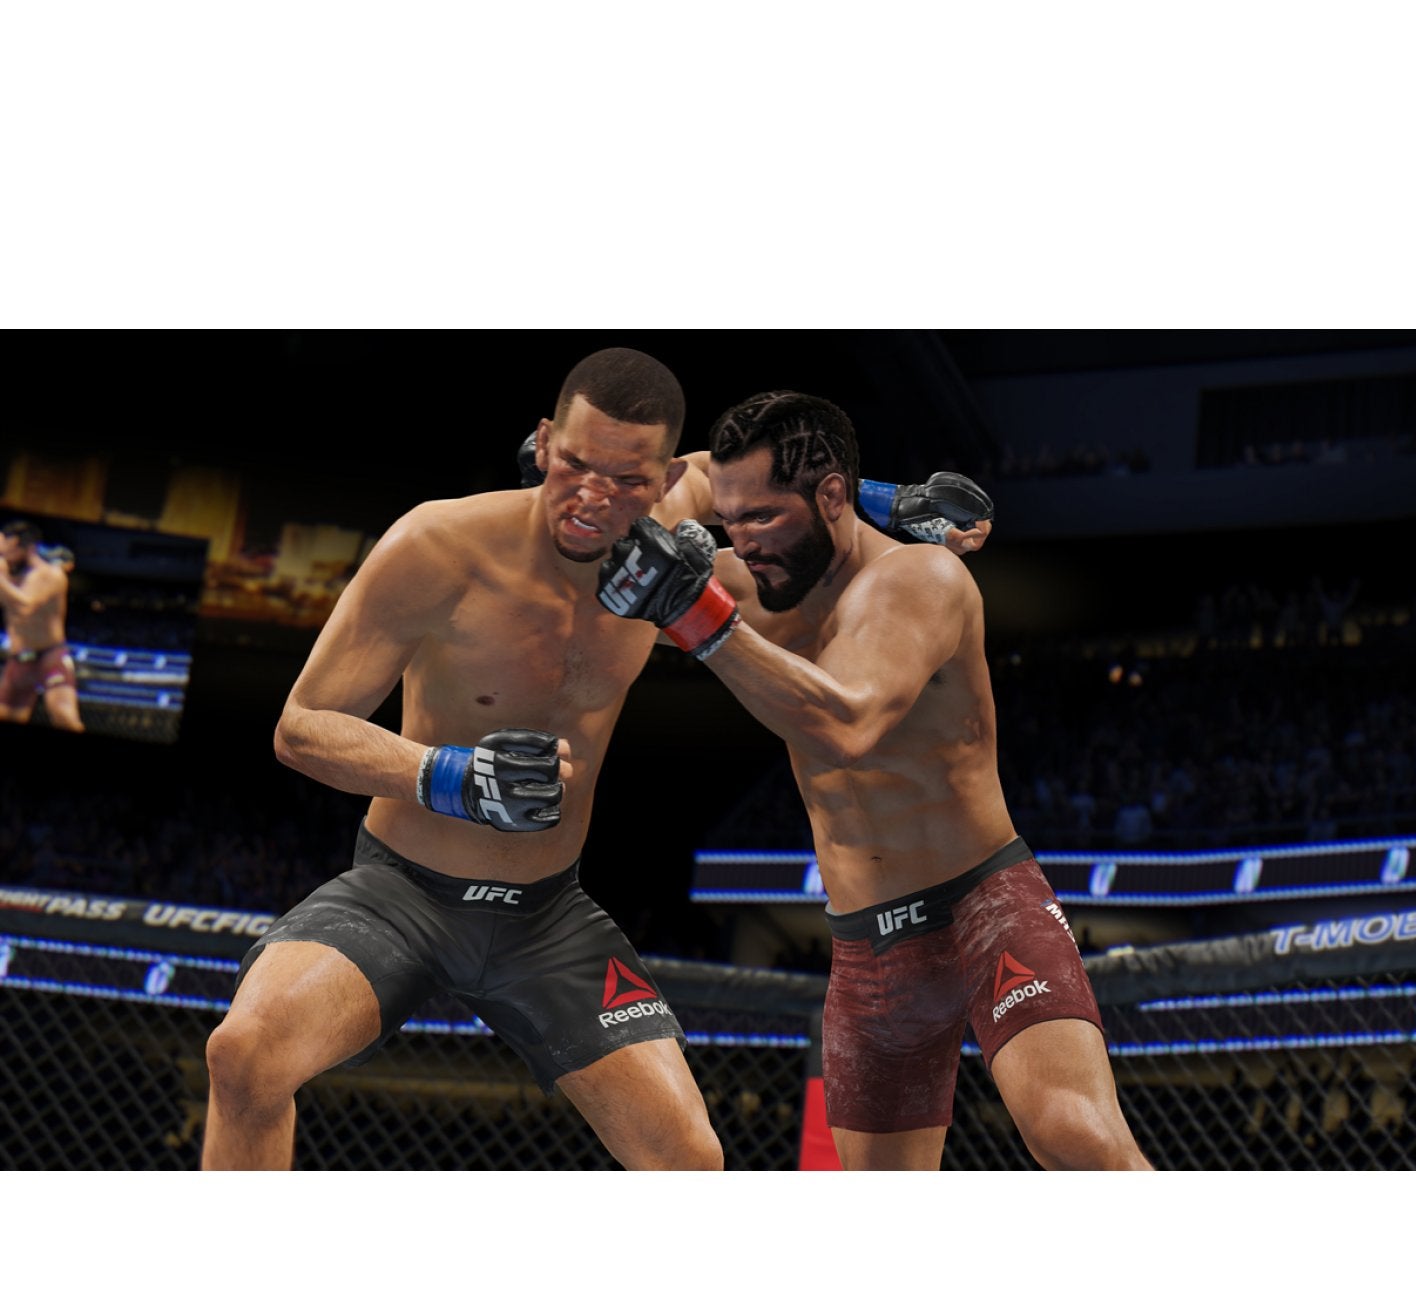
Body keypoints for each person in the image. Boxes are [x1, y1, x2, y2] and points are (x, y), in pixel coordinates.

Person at [596, 391, 1152, 1171]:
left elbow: (846, 723)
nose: (742, 540)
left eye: (764, 517)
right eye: (731, 518)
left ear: (828, 497)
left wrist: (695, 618)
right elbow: (616, 520)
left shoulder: (921, 578)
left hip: (981, 909)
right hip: (867, 944)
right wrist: (880, 494)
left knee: (1076, 1135)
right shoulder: (748, 582)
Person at [203, 348, 728, 1170]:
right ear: (543, 442)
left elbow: (746, 470)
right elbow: (301, 727)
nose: (594, 498)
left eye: (627, 481)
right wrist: (451, 777)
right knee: (244, 1054)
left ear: (664, 482)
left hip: (546, 916)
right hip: (401, 895)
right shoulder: (439, 543)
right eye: (575, 465)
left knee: (690, 1160)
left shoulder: (662, 529)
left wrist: (884, 504)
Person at [0, 520, 85, 733]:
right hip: (20, 658)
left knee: (63, 716)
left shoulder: (50, 575)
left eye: (7, 548)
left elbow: (25, 605)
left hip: (49, 656)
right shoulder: (8, 572)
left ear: (24, 547)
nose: (4, 554)